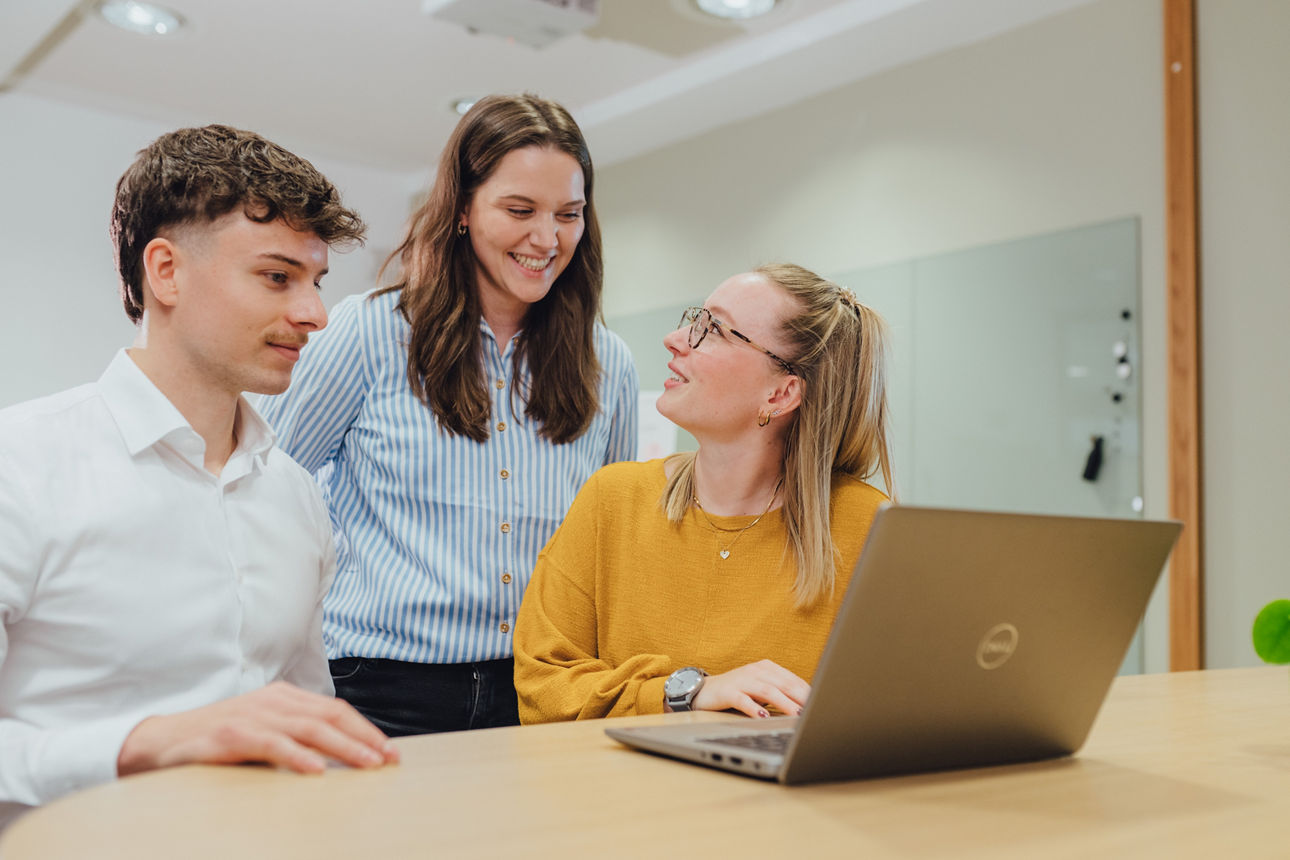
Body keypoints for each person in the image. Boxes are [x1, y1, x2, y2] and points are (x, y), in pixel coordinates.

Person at [0, 125, 399, 828]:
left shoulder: (298, 496)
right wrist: (150, 742)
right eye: (278, 277)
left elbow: (308, 717)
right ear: (165, 272)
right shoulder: (20, 465)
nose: (314, 315)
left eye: (315, 282)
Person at [257, 94, 639, 736]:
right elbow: (263, 488)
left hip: (544, 692)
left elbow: (615, 540)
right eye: (519, 210)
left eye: (568, 215)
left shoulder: (609, 363)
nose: (546, 239)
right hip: (380, 690)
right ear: (462, 208)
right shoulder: (369, 333)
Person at [513, 263, 893, 722]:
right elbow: (542, 686)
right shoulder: (613, 499)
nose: (675, 340)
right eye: (694, 319)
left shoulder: (871, 529)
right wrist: (689, 692)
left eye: (712, 329)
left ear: (780, 394)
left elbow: (900, 712)